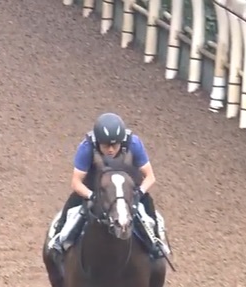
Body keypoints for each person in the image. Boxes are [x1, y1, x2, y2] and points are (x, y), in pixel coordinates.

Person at [48, 112, 170, 264]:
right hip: (95, 190)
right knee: (73, 209)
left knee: (148, 210)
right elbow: (76, 182)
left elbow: (150, 177)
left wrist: (139, 192)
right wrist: (91, 196)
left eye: (115, 145)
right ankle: (59, 238)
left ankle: (156, 241)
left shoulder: (134, 144)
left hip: (129, 190)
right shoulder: (86, 147)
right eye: (106, 146)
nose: (111, 150)